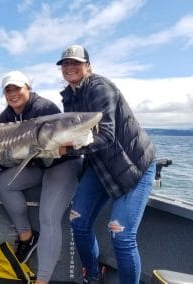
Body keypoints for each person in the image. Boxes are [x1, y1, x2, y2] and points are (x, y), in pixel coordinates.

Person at [56, 45, 156, 284]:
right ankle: (92, 275)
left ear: (88, 66)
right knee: (78, 221)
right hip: (100, 166)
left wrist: (65, 149)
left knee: (120, 234)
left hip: (133, 166)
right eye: (65, 64)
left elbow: (106, 135)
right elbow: (73, 135)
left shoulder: (100, 88)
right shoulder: (69, 97)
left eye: (76, 63)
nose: (70, 68)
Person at [0, 71, 83, 284]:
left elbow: (65, 146)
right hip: (38, 165)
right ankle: (27, 236)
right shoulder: (6, 117)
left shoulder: (44, 108)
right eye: (8, 90)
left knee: (48, 217)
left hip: (63, 164)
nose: (13, 94)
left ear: (28, 88)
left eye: (18, 88)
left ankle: (42, 281)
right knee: (2, 183)